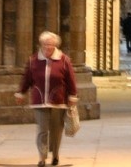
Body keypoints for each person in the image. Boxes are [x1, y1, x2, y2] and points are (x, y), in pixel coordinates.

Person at [15, 30, 78, 166]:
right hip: (40, 100)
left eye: (50, 44)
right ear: (41, 44)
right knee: (42, 130)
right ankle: (42, 157)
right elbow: (27, 78)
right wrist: (21, 92)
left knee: (56, 130)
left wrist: (73, 95)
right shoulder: (33, 60)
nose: (48, 47)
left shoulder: (64, 60)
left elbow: (70, 79)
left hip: (58, 100)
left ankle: (55, 155)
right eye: (45, 44)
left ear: (55, 45)